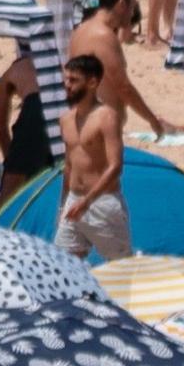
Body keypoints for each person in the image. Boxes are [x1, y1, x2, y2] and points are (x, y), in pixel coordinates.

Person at [55, 51, 129, 262]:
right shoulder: (66, 120)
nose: (67, 85)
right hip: (73, 201)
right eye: (66, 79)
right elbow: (69, 166)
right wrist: (63, 205)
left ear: (92, 83)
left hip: (102, 203)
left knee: (121, 269)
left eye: (74, 80)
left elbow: (115, 166)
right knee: (62, 266)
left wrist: (87, 201)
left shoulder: (106, 117)